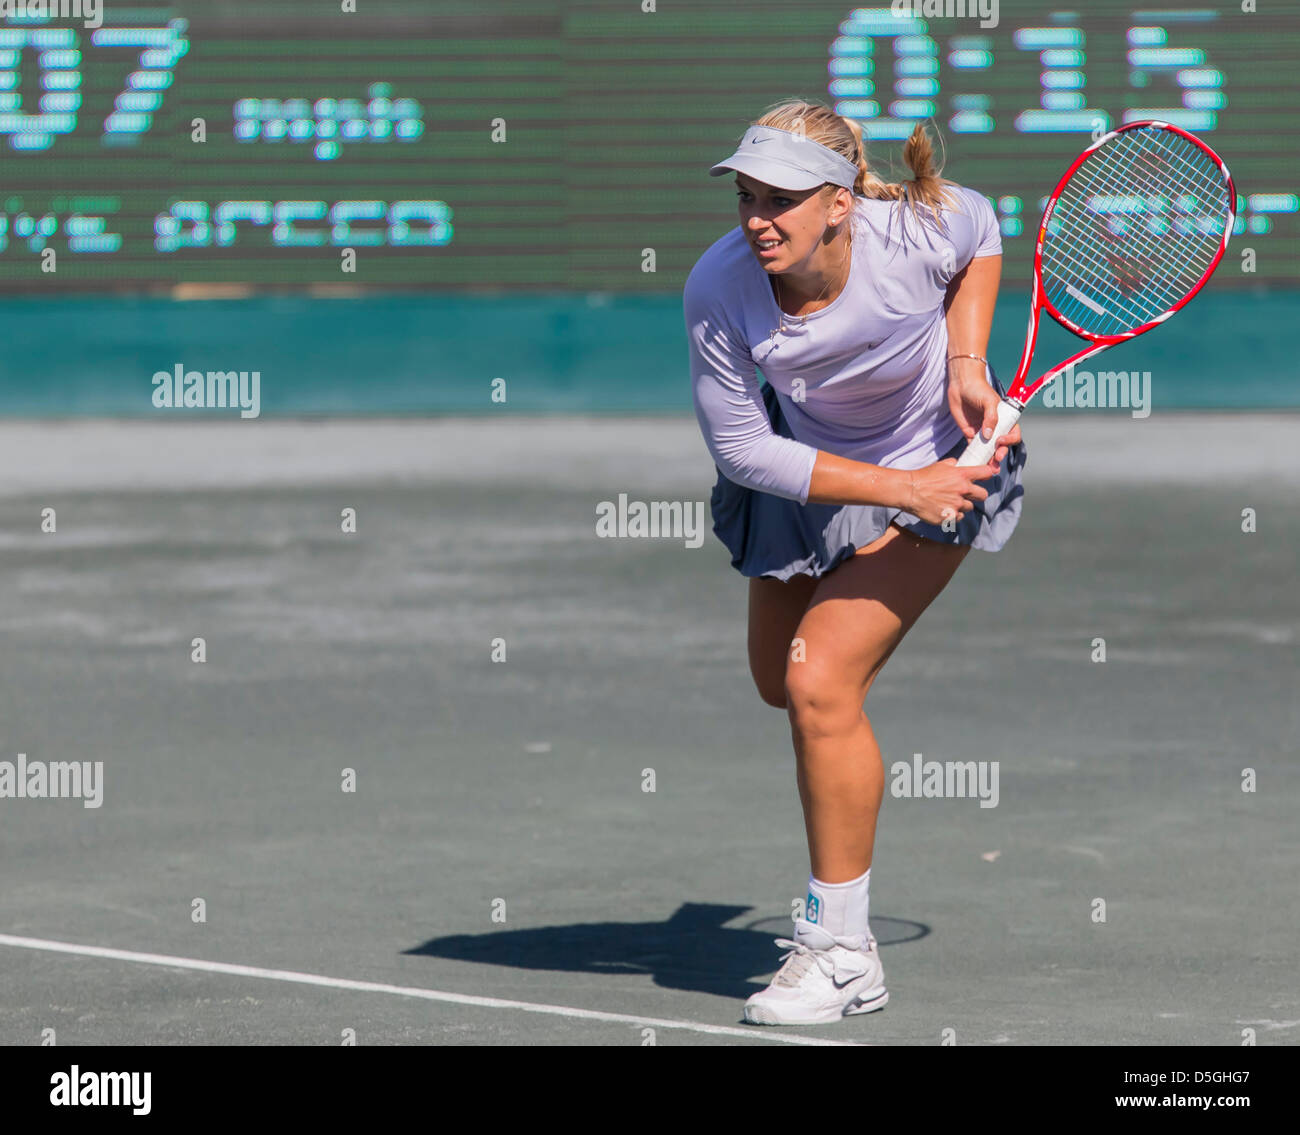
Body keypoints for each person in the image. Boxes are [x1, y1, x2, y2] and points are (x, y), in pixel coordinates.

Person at [683, 100, 1026, 1026]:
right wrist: (892, 488)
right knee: (775, 681)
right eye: (748, 195)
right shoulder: (719, 287)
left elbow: (983, 228)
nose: (758, 216)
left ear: (839, 204)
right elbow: (745, 453)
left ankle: (840, 952)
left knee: (818, 680)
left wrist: (967, 358)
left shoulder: (912, 227)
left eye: (783, 198)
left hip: (941, 465)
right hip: (814, 471)